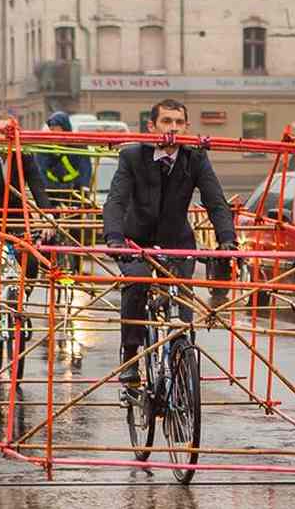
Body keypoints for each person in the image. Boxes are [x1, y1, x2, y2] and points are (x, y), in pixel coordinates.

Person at [103, 99, 237, 385]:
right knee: (136, 286)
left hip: (178, 241)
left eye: (179, 122)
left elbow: (216, 202)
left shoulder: (195, 158)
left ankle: (179, 357)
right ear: (152, 126)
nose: (173, 129)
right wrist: (115, 240)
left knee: (181, 300)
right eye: (166, 122)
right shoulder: (132, 157)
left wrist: (227, 240)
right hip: (136, 242)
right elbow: (115, 201)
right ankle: (131, 355)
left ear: (187, 127)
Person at [0, 113, 55, 354]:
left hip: (17, 219)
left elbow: (38, 186)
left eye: (11, 131)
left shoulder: (24, 156)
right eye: (1, 132)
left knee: (32, 263)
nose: (6, 136)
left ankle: (20, 303)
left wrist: (48, 217)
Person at [37, 111, 92, 199]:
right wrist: (49, 188)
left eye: (55, 128)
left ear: (64, 127)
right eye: (51, 128)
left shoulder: (79, 146)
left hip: (75, 190)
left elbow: (85, 169)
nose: (52, 131)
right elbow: (41, 171)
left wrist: (83, 188)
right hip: (52, 192)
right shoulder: (45, 148)